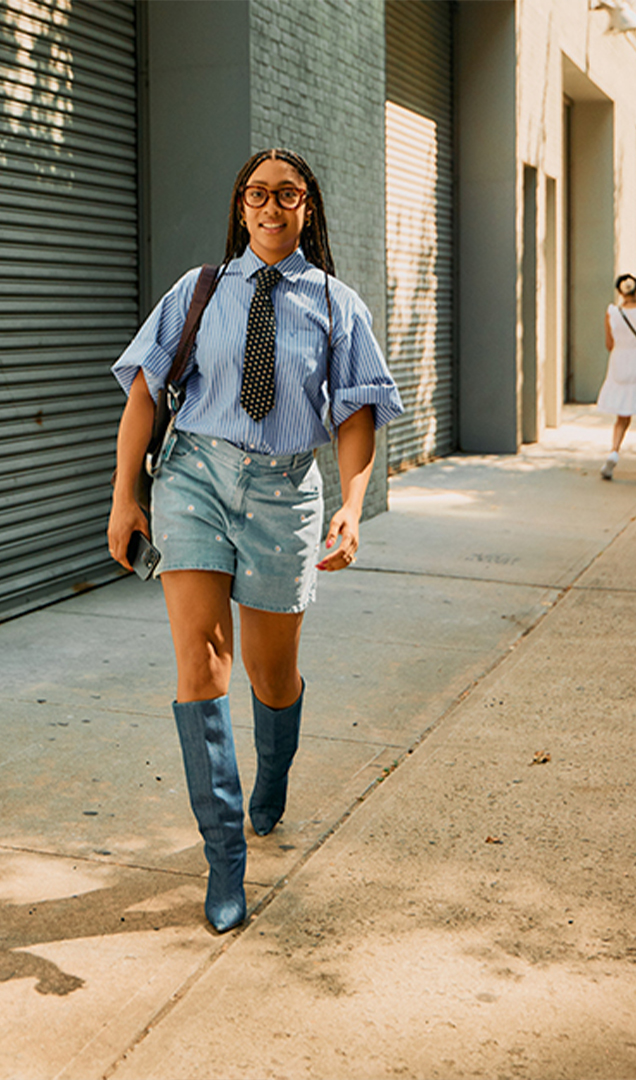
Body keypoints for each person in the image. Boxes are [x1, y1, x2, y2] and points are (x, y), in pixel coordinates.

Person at [105, 148, 403, 932]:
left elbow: (357, 412)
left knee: (273, 677)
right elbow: (145, 391)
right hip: (194, 477)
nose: (271, 207)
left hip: (284, 493)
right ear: (240, 207)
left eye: (288, 194)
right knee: (202, 662)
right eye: (257, 194)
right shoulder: (199, 289)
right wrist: (124, 498)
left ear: (309, 207)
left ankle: (272, 774)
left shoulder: (339, 306)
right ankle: (224, 860)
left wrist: (351, 504)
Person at [598, 273, 636, 479]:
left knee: (622, 416)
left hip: (620, 364)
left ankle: (614, 451)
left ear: (619, 291)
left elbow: (609, 344)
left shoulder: (612, 313)